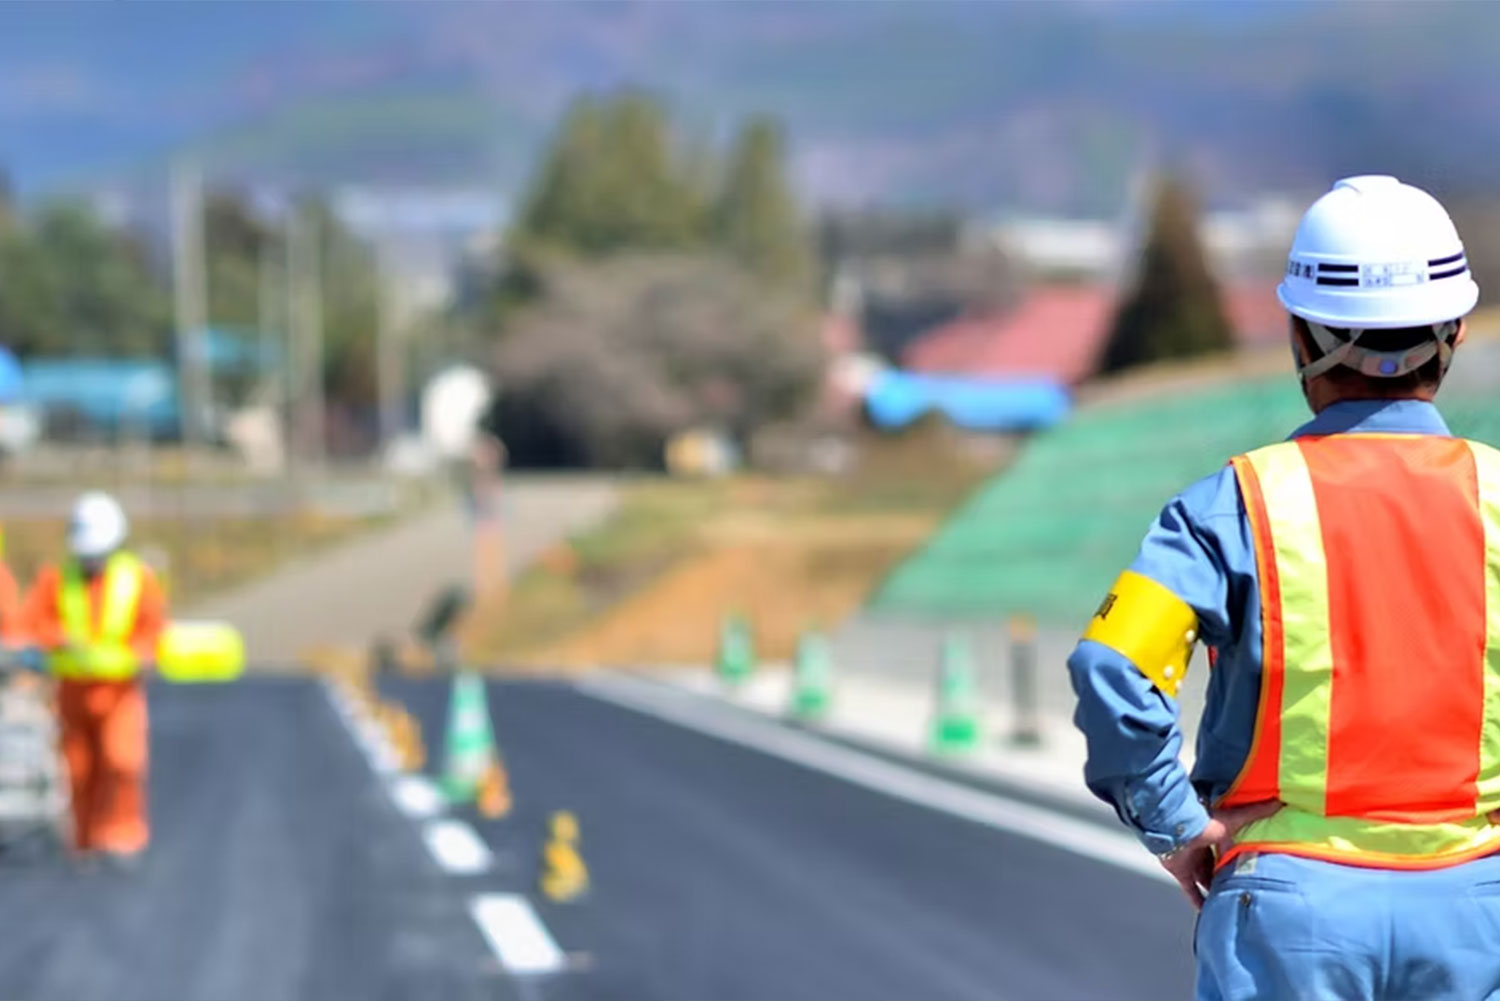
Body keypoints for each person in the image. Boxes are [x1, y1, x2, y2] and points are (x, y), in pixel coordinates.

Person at [1069, 175, 1500, 1001]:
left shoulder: (1235, 504)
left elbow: (1114, 667)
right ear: (1453, 334)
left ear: (1300, 336)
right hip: (1476, 904)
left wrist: (1176, 824)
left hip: (1288, 906)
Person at [26, 491, 166, 867]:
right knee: (79, 767)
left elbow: (153, 629)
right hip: (72, 691)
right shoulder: (58, 578)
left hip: (119, 691)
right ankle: (85, 841)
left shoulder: (136, 579)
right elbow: (33, 624)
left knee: (122, 761)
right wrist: (58, 637)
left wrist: (144, 654)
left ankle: (122, 836)